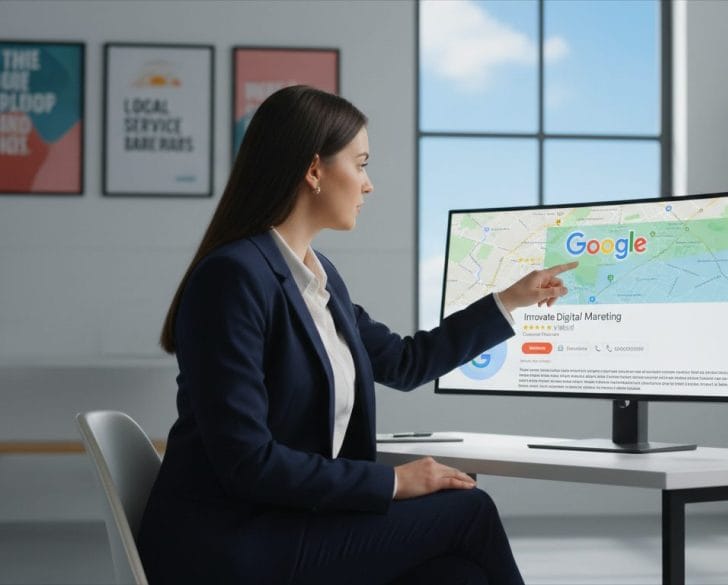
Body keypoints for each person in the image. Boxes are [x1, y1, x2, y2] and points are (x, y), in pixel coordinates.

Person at [138, 85, 577, 585]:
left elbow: (406, 362)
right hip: (230, 544)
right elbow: (247, 462)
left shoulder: (317, 276)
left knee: (455, 574)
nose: (368, 185)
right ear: (314, 170)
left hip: (289, 525)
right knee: (469, 510)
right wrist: (393, 481)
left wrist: (510, 300)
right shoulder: (234, 277)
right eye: (361, 163)